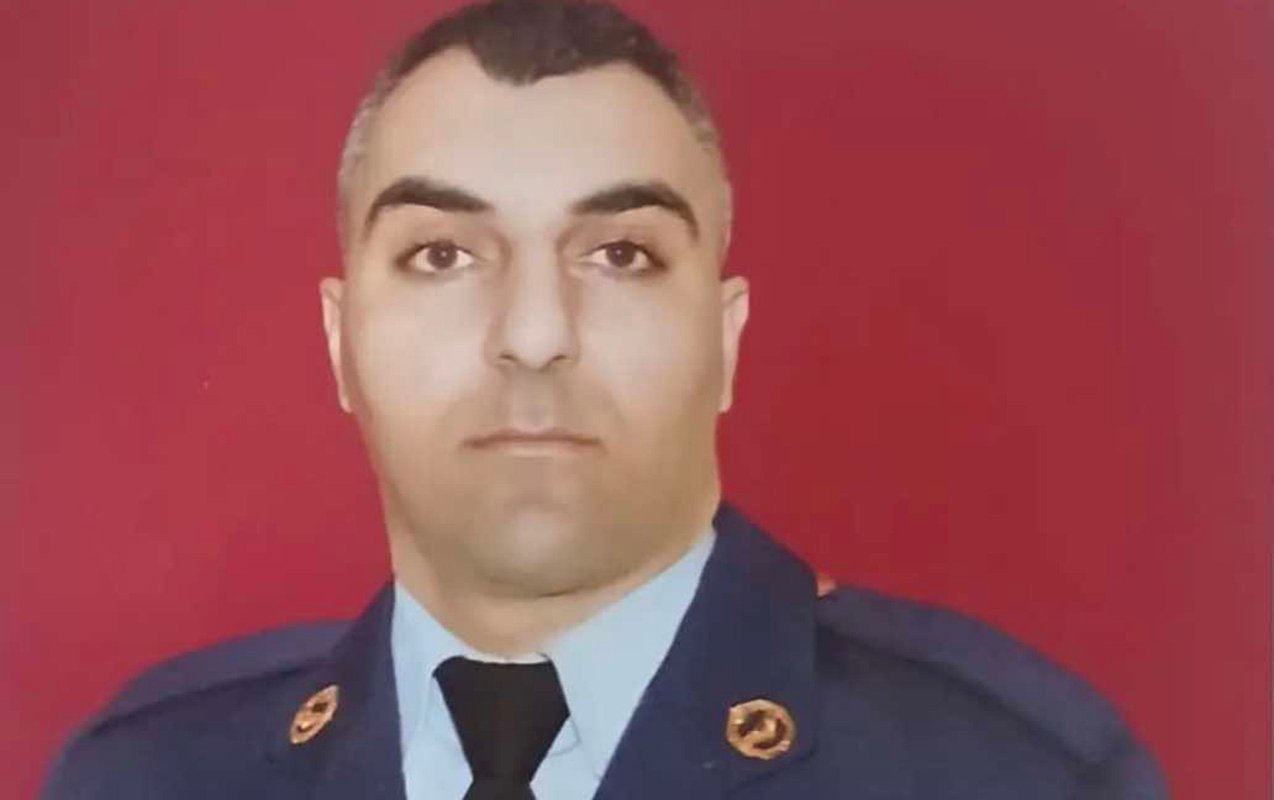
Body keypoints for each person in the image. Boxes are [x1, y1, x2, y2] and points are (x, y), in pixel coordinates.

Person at [42, 1, 1167, 798]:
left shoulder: (1009, 775)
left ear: (724, 340)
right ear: (341, 343)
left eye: (620, 254)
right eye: (441, 254)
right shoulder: (145, 777)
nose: (535, 335)